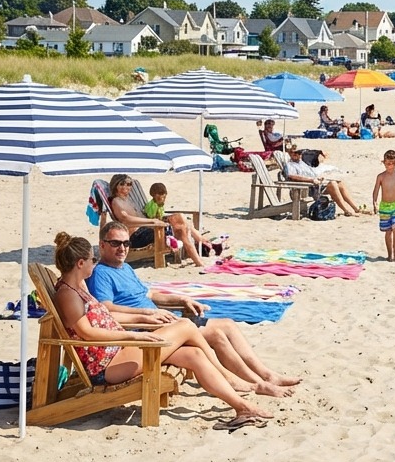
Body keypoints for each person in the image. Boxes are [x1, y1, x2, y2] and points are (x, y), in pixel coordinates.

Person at [52, 232, 274, 430]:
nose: (95, 263)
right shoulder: (68, 295)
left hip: (117, 353)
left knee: (193, 355)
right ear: (80, 263)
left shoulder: (76, 287)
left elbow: (103, 317)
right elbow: (88, 333)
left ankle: (241, 407)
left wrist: (142, 318)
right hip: (108, 365)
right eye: (92, 259)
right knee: (186, 326)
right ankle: (228, 377)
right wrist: (134, 335)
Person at [87, 222, 299, 401]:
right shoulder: (102, 273)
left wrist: (182, 298)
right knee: (217, 334)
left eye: (125, 243)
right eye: (115, 243)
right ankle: (252, 382)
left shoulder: (125, 268)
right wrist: (147, 313)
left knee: (227, 324)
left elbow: (150, 294)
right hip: (147, 328)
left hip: (163, 320)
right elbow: (106, 308)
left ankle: (265, 375)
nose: (122, 248)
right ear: (102, 245)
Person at [107, 174, 208, 267]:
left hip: (146, 229)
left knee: (179, 218)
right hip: (137, 236)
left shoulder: (127, 200)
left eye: (129, 184)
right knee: (180, 228)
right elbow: (125, 219)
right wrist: (152, 222)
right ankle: (200, 253)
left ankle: (200, 245)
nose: (126, 187)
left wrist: (153, 221)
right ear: (116, 185)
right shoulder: (116, 201)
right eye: (122, 184)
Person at [145, 182, 225, 258]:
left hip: (162, 224)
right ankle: (209, 245)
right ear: (155, 195)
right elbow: (152, 219)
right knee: (185, 225)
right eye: (162, 196)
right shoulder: (152, 206)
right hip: (157, 228)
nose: (163, 198)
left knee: (187, 225)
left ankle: (208, 244)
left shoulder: (158, 204)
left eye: (164, 196)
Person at [282, 147, 367, 216]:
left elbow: (313, 172)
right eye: (295, 153)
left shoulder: (302, 163)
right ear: (290, 153)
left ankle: (355, 208)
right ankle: (346, 210)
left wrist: (318, 178)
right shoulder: (290, 165)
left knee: (340, 183)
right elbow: (292, 176)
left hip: (315, 184)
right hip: (306, 188)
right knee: (333, 184)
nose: (298, 155)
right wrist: (311, 180)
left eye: (299, 153)